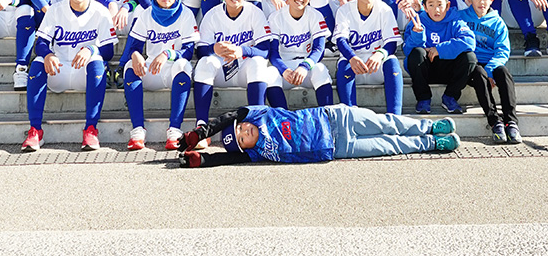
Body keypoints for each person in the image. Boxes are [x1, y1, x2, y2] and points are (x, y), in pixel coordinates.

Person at [22, 0, 116, 151]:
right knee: (38, 62)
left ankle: (91, 129)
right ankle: (35, 130)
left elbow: (108, 51)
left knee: (97, 60)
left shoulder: (101, 12)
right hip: (59, 69)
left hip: (84, 73)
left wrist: (91, 49)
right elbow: (40, 44)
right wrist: (48, 54)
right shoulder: (56, 10)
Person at [178, 105, 459, 166]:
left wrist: (202, 132)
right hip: (339, 148)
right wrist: (201, 160)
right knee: (389, 145)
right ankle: (433, 143)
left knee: (387, 122)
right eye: (241, 139)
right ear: (245, 148)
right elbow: (226, 160)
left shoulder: (260, 115)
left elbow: (231, 115)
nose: (244, 131)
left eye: (240, 128)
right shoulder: (257, 153)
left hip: (334, 117)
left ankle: (428, 127)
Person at [191, 0, 283, 126]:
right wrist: (213, 49)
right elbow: (200, 50)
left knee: (258, 62)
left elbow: (265, 50)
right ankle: (201, 125)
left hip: (244, 70)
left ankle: (256, 122)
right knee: (205, 63)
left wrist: (242, 50)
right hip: (220, 70)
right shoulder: (212, 15)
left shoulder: (255, 13)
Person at [123, 0, 199, 150]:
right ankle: (138, 130)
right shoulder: (146, 13)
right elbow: (134, 47)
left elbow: (189, 51)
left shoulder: (186, 14)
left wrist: (168, 54)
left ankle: (174, 130)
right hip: (152, 69)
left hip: (173, 69)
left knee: (184, 65)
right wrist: (135, 55)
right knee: (129, 66)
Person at [457, 0, 521, 143]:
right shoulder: (460, 17)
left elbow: (502, 50)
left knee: (504, 73)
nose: (481, 2)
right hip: (470, 65)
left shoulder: (498, 22)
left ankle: (511, 122)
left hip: (490, 63)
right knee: (479, 72)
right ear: (469, 0)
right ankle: (495, 122)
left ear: (492, 0)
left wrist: (490, 71)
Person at [334, 0, 403, 114]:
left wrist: (380, 54)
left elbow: (391, 43)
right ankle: (350, 115)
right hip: (354, 66)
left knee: (392, 61)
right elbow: (341, 40)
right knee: (344, 63)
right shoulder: (344, 10)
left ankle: (394, 116)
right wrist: (352, 57)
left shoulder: (384, 9)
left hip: (376, 65)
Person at [403, 0, 477, 114]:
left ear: (447, 5)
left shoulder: (455, 20)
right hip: (426, 70)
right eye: (431, 5)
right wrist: (417, 34)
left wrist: (439, 49)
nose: (436, 10)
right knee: (416, 53)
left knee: (470, 57)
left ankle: (450, 97)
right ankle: (423, 99)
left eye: (440, 5)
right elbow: (407, 51)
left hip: (449, 69)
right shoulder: (417, 21)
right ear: (425, 7)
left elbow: (469, 41)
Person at [267, 0, 334, 105]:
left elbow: (319, 49)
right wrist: (284, 69)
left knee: (320, 70)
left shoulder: (316, 15)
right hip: (284, 67)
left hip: (307, 66)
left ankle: (327, 113)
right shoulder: (275, 17)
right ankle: (282, 116)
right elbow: (273, 52)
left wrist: (305, 66)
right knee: (270, 73)